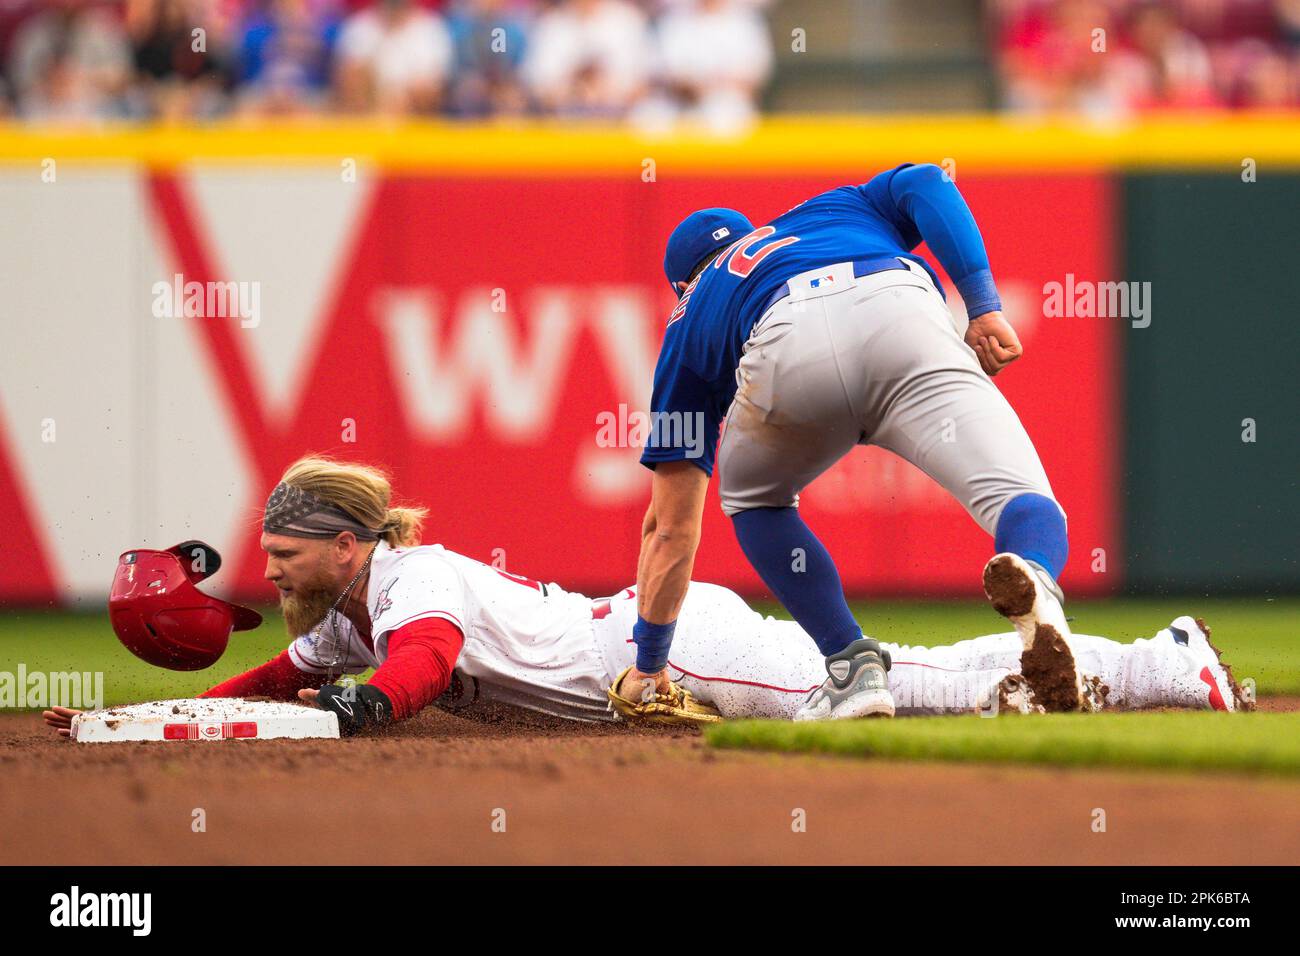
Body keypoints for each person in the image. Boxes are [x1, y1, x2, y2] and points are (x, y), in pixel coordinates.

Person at [44, 456, 1250, 739]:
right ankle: (1147, 660)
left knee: (910, 682)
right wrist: (147, 719)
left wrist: (364, 708)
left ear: (344, 544)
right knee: (919, 679)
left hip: (668, 647)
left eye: (283, 552)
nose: (270, 574)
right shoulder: (347, 614)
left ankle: (1160, 656)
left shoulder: (406, 581)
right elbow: (276, 677)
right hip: (632, 654)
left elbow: (416, 666)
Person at [620, 162, 1085, 725]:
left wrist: (648, 664)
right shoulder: (825, 212)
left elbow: (669, 528)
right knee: (1023, 498)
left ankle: (851, 665)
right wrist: (982, 304)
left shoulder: (690, 313)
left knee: (755, 503)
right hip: (901, 314)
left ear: (681, 285)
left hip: (785, 343)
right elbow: (929, 182)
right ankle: (1036, 574)